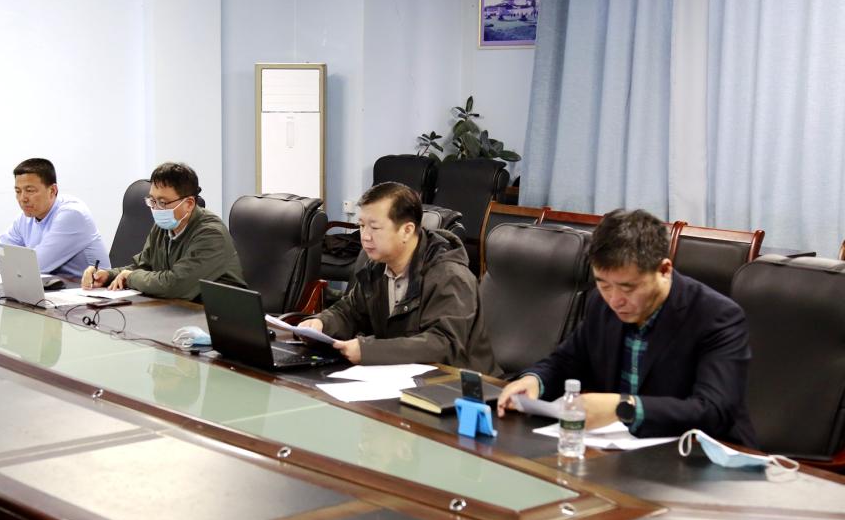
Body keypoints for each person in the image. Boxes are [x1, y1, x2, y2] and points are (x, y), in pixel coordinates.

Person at [496, 209, 757, 446]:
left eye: (628, 287)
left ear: (664, 270)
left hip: (700, 456)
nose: (615, 300)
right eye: (604, 284)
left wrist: (624, 407)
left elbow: (714, 411)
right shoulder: (601, 304)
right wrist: (534, 381)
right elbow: (567, 361)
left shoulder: (717, 317)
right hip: (621, 448)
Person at [298, 182, 499, 374]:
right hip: (402, 378)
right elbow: (350, 312)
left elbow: (444, 344)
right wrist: (320, 324)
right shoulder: (377, 267)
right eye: (361, 226)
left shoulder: (450, 276)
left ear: (407, 230)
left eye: (374, 228)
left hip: (459, 385)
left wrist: (369, 351)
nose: (365, 236)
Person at [83, 162, 245, 300]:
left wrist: (130, 277)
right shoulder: (163, 226)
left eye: (162, 202)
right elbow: (144, 267)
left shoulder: (212, 234)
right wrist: (107, 275)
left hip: (218, 316)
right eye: (152, 201)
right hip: (177, 310)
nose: (155, 208)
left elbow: (176, 285)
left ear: (189, 204)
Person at [0, 158, 110, 278]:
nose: (22, 198)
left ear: (52, 191)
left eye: (30, 191)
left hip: (90, 292)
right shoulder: (25, 217)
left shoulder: (72, 214)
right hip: (54, 289)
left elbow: (37, 265)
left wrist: (3, 262)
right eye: (18, 191)